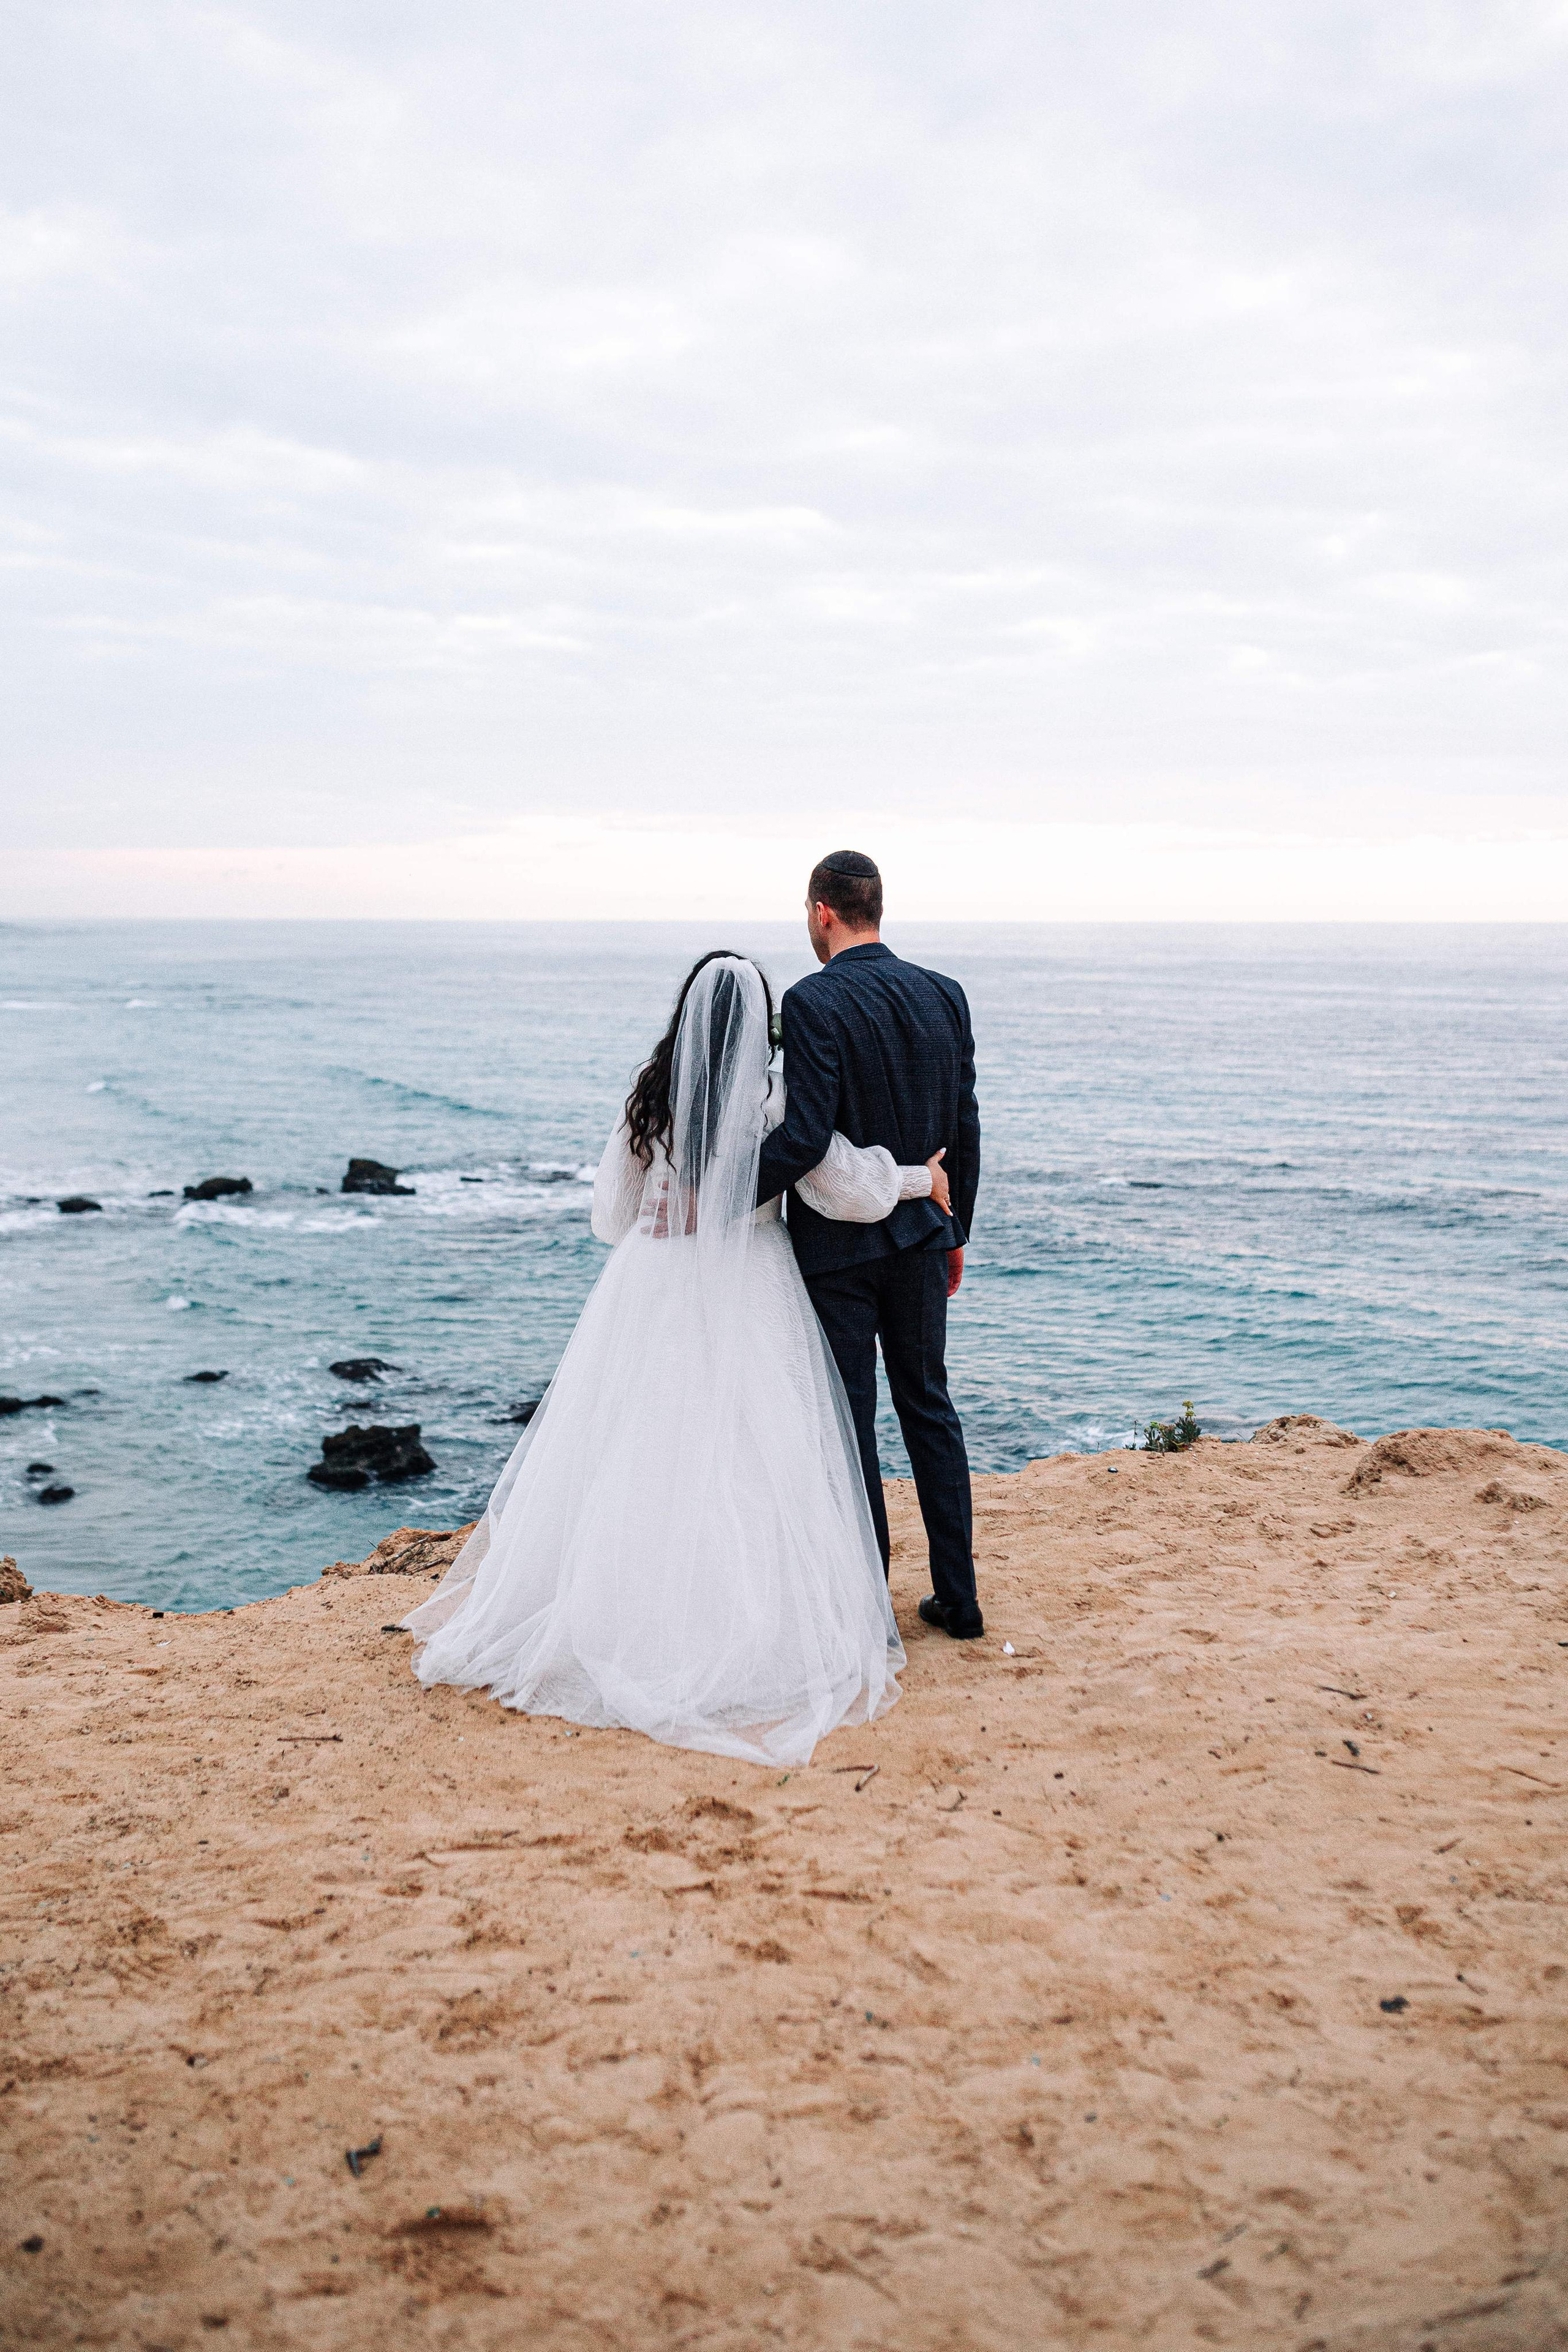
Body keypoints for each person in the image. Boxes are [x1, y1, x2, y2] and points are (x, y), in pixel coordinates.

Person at [402, 951, 949, 1765]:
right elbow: (838, 1184)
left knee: (640, 1446)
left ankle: (623, 1617)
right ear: (762, 1024)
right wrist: (919, 1180)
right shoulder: (773, 1097)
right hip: (751, 1273)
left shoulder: (650, 1097)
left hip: (652, 1279)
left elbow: (612, 1214)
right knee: (753, 1454)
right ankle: (739, 1629)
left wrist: (667, 1223)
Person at [756, 852, 983, 1639]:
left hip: (838, 1255)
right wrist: (955, 1230)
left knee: (851, 1420)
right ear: (874, 907)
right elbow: (964, 1128)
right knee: (929, 1407)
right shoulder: (942, 994)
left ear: (822, 911)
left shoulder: (812, 1001)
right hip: (923, 1236)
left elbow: (805, 1138)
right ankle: (959, 1599)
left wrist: (721, 1196)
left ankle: (869, 1613)